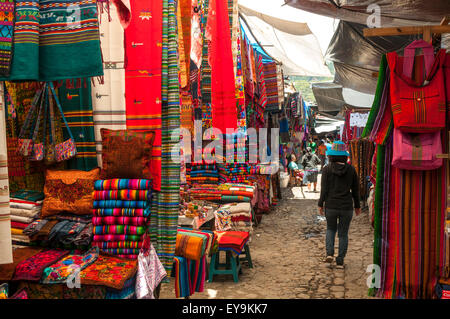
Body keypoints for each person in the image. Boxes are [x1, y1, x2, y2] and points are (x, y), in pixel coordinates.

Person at [318, 141, 361, 269]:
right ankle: (340, 259)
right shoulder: (351, 170)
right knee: (343, 233)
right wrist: (357, 206)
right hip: (346, 206)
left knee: (330, 229)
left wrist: (321, 204)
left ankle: (329, 254)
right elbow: (355, 189)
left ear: (331, 155)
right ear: (344, 155)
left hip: (331, 205)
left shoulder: (327, 169)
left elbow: (324, 189)